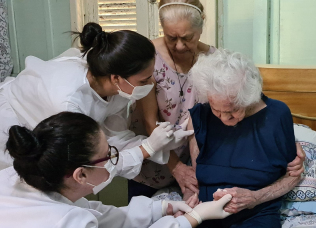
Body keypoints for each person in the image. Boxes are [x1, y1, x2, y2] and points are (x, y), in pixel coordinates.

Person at [128, 0, 304, 201]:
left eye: (187, 37)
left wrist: (289, 139)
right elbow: (150, 123)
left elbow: (252, 102)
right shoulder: (148, 59)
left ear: (201, 26)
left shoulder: (215, 58)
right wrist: (177, 168)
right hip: (155, 161)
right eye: (171, 37)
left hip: (200, 163)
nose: (179, 45)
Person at [0, 22, 193, 174]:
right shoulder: (69, 103)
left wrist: (162, 143)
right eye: (144, 80)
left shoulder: (116, 85)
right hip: (11, 131)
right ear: (116, 78)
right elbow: (91, 166)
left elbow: (114, 138)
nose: (151, 83)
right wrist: (148, 147)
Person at [0, 112, 233, 228]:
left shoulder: (18, 175)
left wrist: (163, 207)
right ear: (80, 174)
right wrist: (193, 218)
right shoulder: (65, 222)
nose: (115, 159)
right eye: (109, 154)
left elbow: (97, 214)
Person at [187, 49, 303, 227]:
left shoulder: (277, 115)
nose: (224, 118)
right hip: (207, 211)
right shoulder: (200, 116)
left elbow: (292, 176)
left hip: (257, 214)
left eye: (233, 110)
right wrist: (189, 200)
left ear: (249, 98)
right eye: (216, 110)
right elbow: (195, 178)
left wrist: (255, 198)